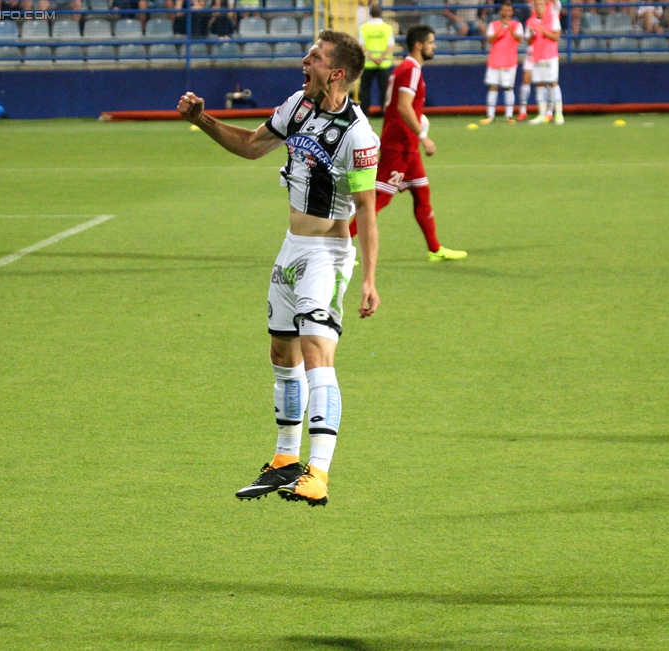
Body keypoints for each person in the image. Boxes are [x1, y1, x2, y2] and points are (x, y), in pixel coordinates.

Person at [177, 29, 381, 507]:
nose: (303, 61)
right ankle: (286, 459)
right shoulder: (298, 106)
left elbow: (368, 212)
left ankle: (320, 472)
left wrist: (369, 278)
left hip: (327, 256)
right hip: (291, 250)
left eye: (313, 57)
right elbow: (251, 145)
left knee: (317, 355)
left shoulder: (358, 134)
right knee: (281, 354)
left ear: (336, 72)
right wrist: (200, 119)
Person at [349, 25, 467, 262]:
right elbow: (403, 106)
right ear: (419, 45)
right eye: (432, 42)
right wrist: (423, 135)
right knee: (379, 198)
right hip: (399, 145)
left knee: (422, 193)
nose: (435, 46)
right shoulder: (411, 70)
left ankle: (435, 249)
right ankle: (339, 246)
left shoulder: (403, 69)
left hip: (406, 146)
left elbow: (396, 105)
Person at [480, 0, 524, 125]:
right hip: (495, 60)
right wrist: (500, 29)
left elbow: (520, 38)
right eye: (504, 10)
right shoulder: (493, 24)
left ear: (512, 12)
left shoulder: (517, 25)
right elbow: (489, 39)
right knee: (493, 87)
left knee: (508, 88)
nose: (506, 12)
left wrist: (509, 27)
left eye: (509, 10)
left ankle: (509, 115)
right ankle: (490, 115)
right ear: (500, 11)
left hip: (510, 61)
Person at [525, 0, 563, 125]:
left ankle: (558, 114)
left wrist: (544, 31)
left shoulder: (553, 18)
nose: (539, 7)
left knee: (553, 83)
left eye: (541, 5)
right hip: (537, 56)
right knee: (539, 85)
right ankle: (542, 114)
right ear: (534, 6)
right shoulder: (530, 22)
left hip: (550, 56)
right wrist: (531, 35)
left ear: (546, 6)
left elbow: (557, 37)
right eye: (537, 5)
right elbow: (529, 42)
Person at [358, 3, 396, 117]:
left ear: (370, 13)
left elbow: (362, 46)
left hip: (368, 64)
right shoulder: (387, 28)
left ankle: (364, 112)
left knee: (365, 89)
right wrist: (381, 58)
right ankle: (385, 112)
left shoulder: (363, 28)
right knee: (384, 89)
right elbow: (391, 46)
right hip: (383, 64)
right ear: (381, 13)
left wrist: (372, 58)